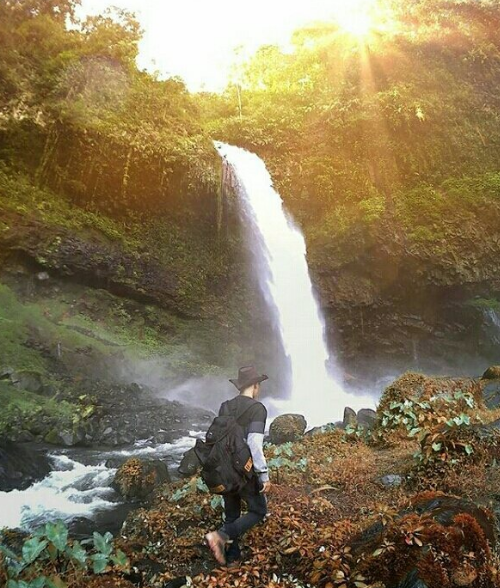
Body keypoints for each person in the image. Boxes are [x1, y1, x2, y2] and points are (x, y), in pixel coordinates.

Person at [205, 366, 271, 567]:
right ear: (255, 386)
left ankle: (231, 558)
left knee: (232, 513)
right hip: (245, 469)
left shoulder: (225, 406)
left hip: (224, 467)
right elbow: (254, 444)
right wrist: (264, 475)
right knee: (258, 511)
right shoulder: (257, 408)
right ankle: (221, 536)